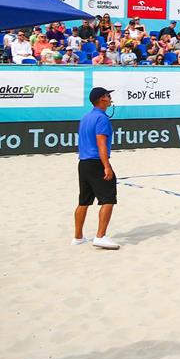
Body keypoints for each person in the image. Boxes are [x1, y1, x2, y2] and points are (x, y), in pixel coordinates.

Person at [74, 87, 119, 249]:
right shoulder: (102, 119)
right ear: (101, 99)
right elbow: (101, 143)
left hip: (83, 163)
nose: (110, 97)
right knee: (108, 199)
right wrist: (106, 166)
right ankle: (100, 236)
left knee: (84, 201)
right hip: (96, 162)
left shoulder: (85, 117)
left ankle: (78, 237)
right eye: (108, 95)